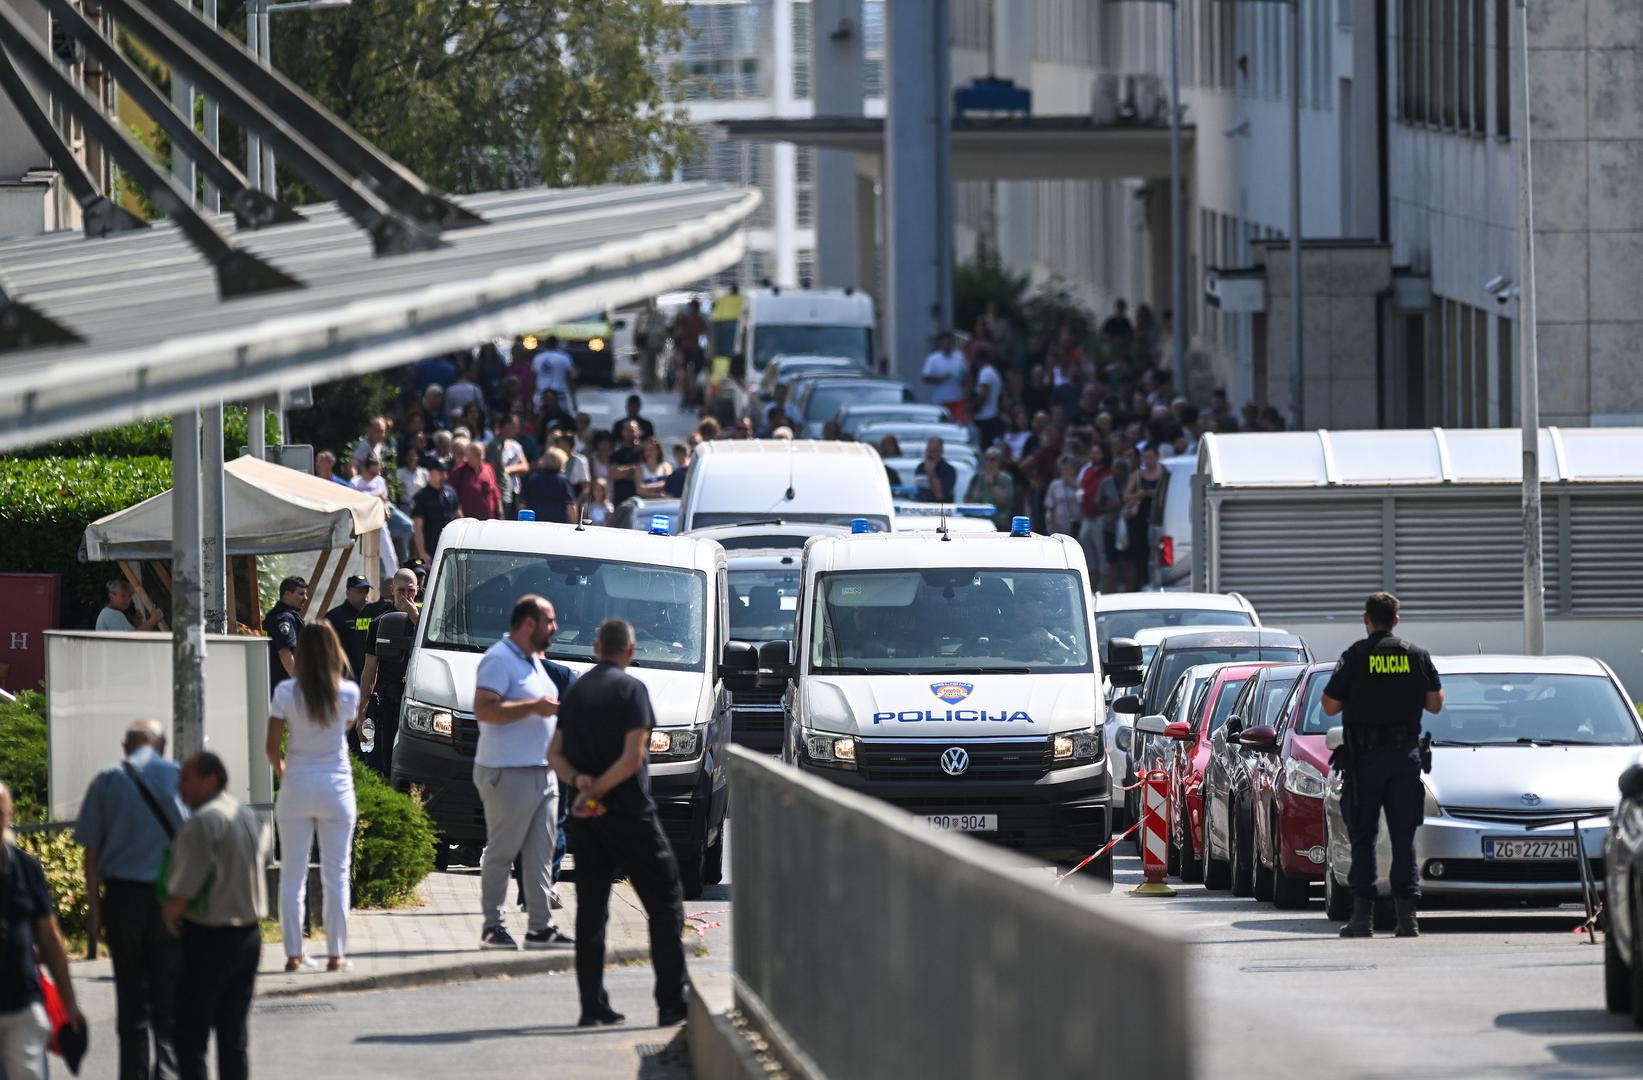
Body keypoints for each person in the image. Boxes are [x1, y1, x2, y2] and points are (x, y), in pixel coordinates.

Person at [549, 618, 687, 1028]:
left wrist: (581, 786)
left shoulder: (576, 692)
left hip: (588, 821)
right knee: (665, 904)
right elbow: (631, 759)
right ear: (630, 650)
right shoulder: (633, 690)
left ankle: (592, 1005)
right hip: (631, 815)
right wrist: (599, 789)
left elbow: (554, 754)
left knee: (592, 911)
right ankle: (670, 1002)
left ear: (596, 648)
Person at [1321, 593, 1444, 939]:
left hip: (1365, 761)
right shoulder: (1417, 656)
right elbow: (1436, 704)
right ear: (1396, 620)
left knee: (1363, 837)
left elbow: (1329, 706)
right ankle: (1408, 920)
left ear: (1367, 619)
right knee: (1404, 839)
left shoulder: (1356, 657)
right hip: (1404, 759)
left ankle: (1363, 918)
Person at [76, 719, 177, 1080]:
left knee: (132, 1004)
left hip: (122, 900)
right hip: (168, 902)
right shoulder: (178, 777)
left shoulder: (106, 780)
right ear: (161, 744)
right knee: (167, 1004)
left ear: (126, 746)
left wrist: (95, 909)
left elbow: (91, 852)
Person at [471, 596, 574, 950]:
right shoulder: (499, 659)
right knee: (502, 852)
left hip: (541, 772)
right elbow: (484, 709)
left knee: (541, 853)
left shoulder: (532, 660)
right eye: (550, 620)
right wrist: (535, 706)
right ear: (529, 624)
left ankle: (539, 927)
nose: (555, 627)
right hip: (507, 771)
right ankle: (492, 927)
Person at [163, 752, 271, 1080]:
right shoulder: (247, 815)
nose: (179, 786)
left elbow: (182, 890)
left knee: (190, 1036)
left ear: (210, 780)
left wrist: (170, 918)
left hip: (210, 938)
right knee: (232, 1036)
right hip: (249, 937)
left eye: (186, 778)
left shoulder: (203, 821)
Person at [267, 623, 359, 972]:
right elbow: (346, 726)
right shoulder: (348, 693)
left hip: (297, 784)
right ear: (335, 650)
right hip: (336, 786)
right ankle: (336, 954)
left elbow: (271, 748)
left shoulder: (286, 692)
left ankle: (294, 954)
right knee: (336, 873)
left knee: (293, 873)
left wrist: (285, 774)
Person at [0, 781, 86, 1080]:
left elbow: (50, 939)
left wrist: (70, 1003)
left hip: (22, 1005)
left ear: (8, 815)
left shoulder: (26, 869)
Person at [357, 569, 422, 776]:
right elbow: (369, 670)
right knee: (384, 761)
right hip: (388, 700)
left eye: (410, 591)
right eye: (400, 590)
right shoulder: (379, 622)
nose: (405, 596)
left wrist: (415, 619)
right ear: (391, 590)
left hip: (417, 699)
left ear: (417, 590)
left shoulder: (425, 622)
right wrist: (361, 714)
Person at [325, 574, 391, 683]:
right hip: (343, 678)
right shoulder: (334, 617)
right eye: (360, 592)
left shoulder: (373, 614)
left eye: (366, 591)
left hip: (368, 675)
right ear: (348, 593)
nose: (365, 596)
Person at [410, 457, 461, 565]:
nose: (444, 475)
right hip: (431, 549)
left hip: (451, 546)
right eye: (439, 472)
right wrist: (422, 553)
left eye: (445, 472)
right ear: (430, 472)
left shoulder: (450, 492)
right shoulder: (421, 497)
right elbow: (418, 528)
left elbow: (459, 518)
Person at [263, 576, 308, 692]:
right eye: (301, 594)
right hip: (285, 686)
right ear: (287, 594)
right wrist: (300, 684)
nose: (305, 598)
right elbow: (285, 652)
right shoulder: (284, 618)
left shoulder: (277, 615)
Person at [485, 413, 530, 520]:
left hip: (512, 491)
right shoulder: (494, 446)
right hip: (500, 492)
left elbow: (525, 466)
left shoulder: (515, 445)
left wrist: (509, 470)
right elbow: (491, 469)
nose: (516, 430)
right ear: (505, 426)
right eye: (513, 426)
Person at [522, 448, 579, 524]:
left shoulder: (533, 479)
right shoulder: (563, 481)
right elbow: (571, 506)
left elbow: (522, 503)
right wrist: (574, 524)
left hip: (536, 524)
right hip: (558, 525)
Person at [452, 439, 503, 521]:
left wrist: (500, 514)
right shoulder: (458, 472)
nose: (482, 457)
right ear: (468, 455)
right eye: (478, 454)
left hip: (488, 521)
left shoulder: (488, 468)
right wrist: (460, 518)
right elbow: (453, 497)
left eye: (482, 453)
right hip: (468, 522)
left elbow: (496, 492)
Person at [921, 331, 967, 422]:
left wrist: (963, 381)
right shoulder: (933, 358)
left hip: (957, 399)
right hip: (940, 400)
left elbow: (967, 375)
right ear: (940, 343)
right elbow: (925, 378)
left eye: (950, 342)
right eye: (945, 342)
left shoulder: (959, 357)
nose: (948, 345)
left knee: (958, 424)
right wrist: (941, 379)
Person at [966, 447, 1015, 531]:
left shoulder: (1006, 479)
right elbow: (967, 501)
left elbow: (1003, 501)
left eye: (993, 460)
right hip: (977, 520)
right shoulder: (977, 478)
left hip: (998, 522)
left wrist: (993, 482)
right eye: (987, 459)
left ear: (999, 462)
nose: (989, 463)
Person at [97, 576, 164, 632]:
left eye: (129, 596)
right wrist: (153, 619)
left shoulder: (111, 613)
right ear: (111, 595)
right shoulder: (109, 614)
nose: (127, 599)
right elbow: (131, 637)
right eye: (123, 595)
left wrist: (137, 625)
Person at [970, 346, 1004, 449]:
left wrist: (973, 407)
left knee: (983, 447)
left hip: (985, 417)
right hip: (993, 414)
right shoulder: (994, 372)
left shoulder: (985, 373)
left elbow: (984, 394)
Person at [532, 336, 577, 412]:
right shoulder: (564, 358)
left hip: (542, 396)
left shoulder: (538, 358)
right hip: (558, 396)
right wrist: (573, 400)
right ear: (557, 344)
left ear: (545, 344)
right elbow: (569, 379)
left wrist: (531, 398)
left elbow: (533, 379)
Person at [913, 437, 957, 504]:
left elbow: (939, 495)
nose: (930, 454)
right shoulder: (920, 468)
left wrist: (931, 473)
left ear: (941, 452)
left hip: (942, 511)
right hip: (922, 510)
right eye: (928, 450)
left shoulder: (949, 470)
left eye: (933, 451)